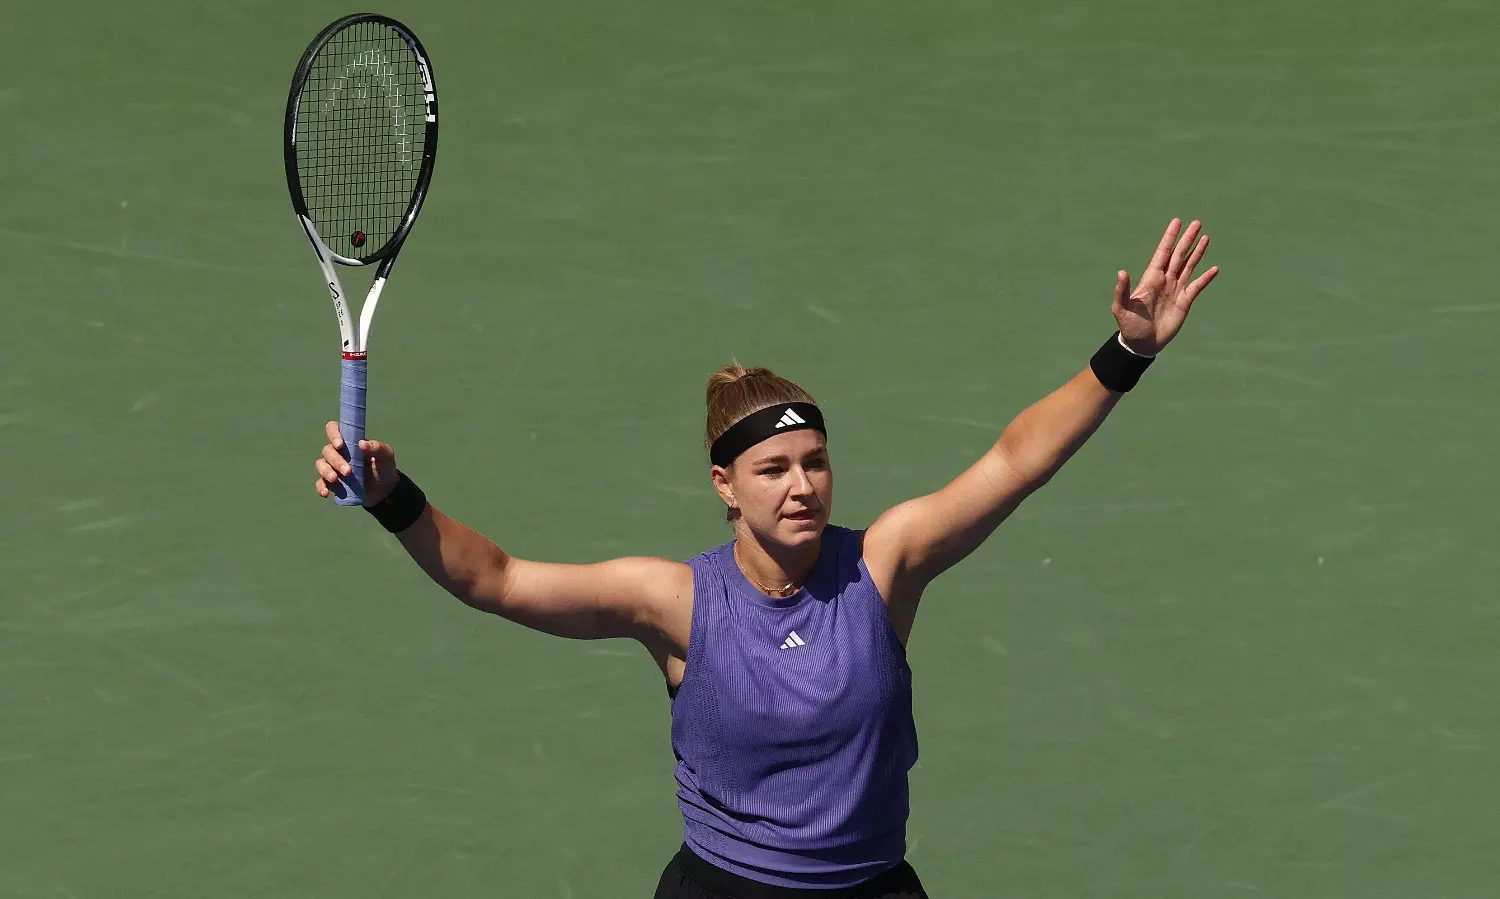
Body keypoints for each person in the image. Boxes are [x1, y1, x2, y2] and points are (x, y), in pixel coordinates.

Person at [312, 219, 1220, 898]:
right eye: (773, 469)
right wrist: (394, 497)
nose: (802, 486)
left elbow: (1016, 461)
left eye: (815, 462)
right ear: (725, 484)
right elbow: (498, 579)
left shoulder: (885, 565)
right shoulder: (674, 601)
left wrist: (1127, 351)